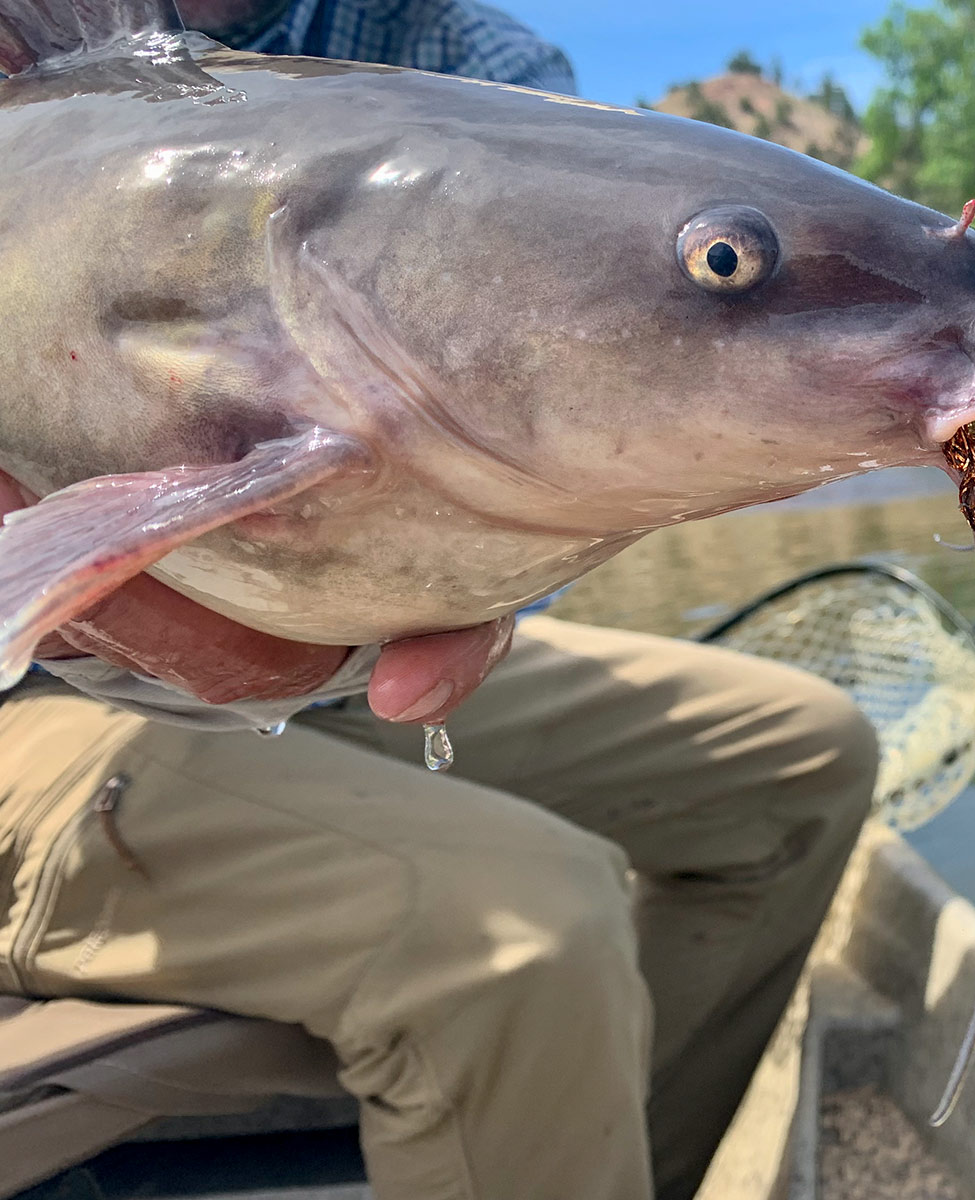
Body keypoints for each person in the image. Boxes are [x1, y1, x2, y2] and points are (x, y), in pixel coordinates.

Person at [0, 5, 880, 1199]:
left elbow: (578, 390)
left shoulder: (490, 65)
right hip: (27, 700)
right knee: (526, 931)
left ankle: (616, 1168)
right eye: (725, 263)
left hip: (333, 662)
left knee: (801, 758)